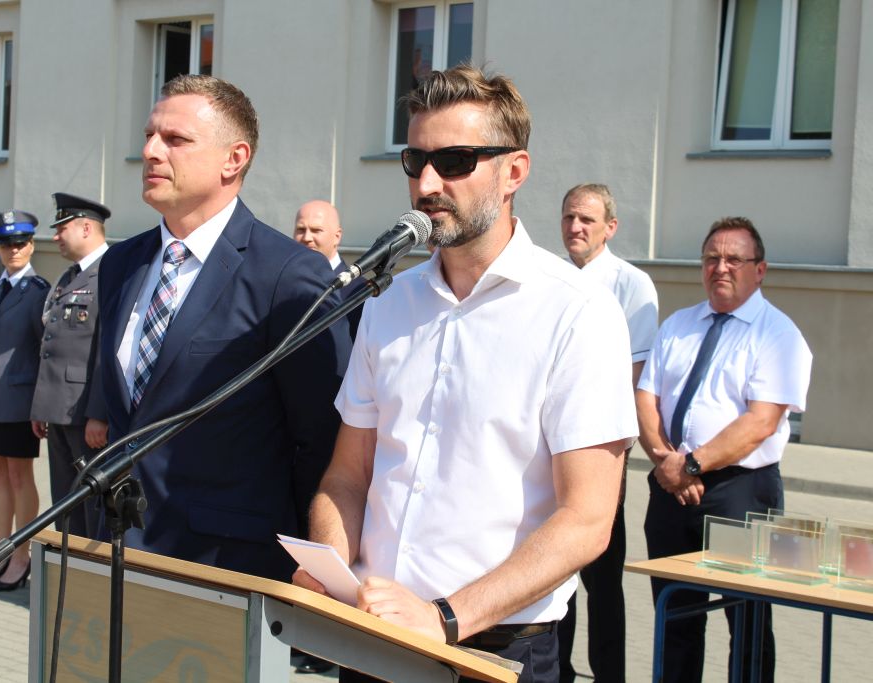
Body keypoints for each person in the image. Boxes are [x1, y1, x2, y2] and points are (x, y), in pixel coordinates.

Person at [293, 65, 638, 683]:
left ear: (514, 172)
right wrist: (329, 565)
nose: (427, 183)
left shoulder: (578, 311)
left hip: (494, 649)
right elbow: (348, 475)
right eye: (415, 160)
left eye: (454, 161)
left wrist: (445, 618)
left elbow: (587, 520)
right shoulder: (388, 303)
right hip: (373, 631)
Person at [92, 74, 351, 582]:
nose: (150, 151)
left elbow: (320, 439)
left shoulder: (287, 275)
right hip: (119, 549)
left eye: (175, 139)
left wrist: (309, 565)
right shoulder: (121, 264)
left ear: (234, 159)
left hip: (227, 567)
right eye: (149, 135)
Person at [636, 217, 812, 683]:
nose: (721, 267)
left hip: (741, 493)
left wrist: (690, 464)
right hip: (671, 488)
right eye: (712, 258)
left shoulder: (778, 334)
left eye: (735, 259)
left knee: (747, 620)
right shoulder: (678, 325)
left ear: (760, 269)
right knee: (675, 617)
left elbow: (760, 423)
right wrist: (667, 462)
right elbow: (646, 397)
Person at [557, 183, 658, 683]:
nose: (576, 228)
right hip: (550, 448)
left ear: (610, 228)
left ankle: (609, 675)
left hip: (600, 449)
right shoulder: (550, 277)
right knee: (554, 573)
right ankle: (558, 671)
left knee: (601, 578)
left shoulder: (632, 286)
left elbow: (637, 377)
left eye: (587, 220)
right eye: (569, 218)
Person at [0, 211, 50, 591]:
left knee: (20, 477)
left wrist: (43, 403)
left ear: (31, 246)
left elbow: (46, 351)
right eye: (6, 244)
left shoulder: (37, 292)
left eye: (20, 243)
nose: (13, 250)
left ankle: (21, 556)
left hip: (20, 402)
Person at [30, 193, 111, 538]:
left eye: (62, 228)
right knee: (65, 504)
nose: (55, 236)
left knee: (92, 508)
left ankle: (93, 571)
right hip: (58, 410)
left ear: (86, 228)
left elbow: (108, 350)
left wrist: (100, 413)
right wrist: (41, 406)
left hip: (85, 415)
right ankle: (67, 568)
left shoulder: (110, 272)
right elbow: (52, 345)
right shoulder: (69, 275)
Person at [294, 199, 364, 340]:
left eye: (316, 230)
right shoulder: (284, 282)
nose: (307, 238)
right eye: (301, 230)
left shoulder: (359, 291)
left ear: (337, 237)